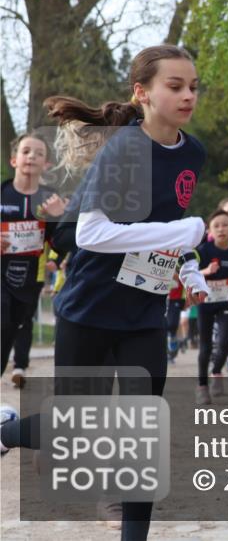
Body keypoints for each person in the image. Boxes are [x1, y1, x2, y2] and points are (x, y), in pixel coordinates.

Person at [0, 44, 211, 540]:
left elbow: (170, 225)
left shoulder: (193, 153)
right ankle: (5, 433)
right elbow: (92, 234)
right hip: (90, 309)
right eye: (175, 86)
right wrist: (179, 235)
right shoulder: (123, 149)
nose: (187, 96)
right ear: (143, 93)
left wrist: (190, 265)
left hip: (143, 310)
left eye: (194, 87)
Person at [1, 132, 67, 385]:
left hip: (31, 274)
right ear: (14, 160)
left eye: (39, 153)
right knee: (3, 317)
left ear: (46, 165)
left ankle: (18, 366)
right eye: (26, 151)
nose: (32, 156)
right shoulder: (3, 193)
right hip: (1, 272)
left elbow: (61, 241)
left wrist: (60, 218)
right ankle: (18, 365)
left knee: (17, 324)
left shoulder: (50, 199)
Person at [195, 208, 228, 403]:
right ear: (209, 230)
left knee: (225, 343)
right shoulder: (203, 251)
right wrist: (206, 271)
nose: (221, 229)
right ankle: (202, 386)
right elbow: (190, 274)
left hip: (226, 301)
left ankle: (217, 371)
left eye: (225, 225)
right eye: (216, 226)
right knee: (205, 346)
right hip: (205, 303)